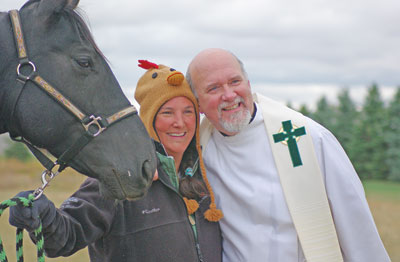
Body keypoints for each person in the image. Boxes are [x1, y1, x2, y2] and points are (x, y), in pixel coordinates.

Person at [186, 48, 390, 262]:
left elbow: (356, 225)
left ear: (248, 84)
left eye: (235, 81)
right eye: (213, 88)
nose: (228, 95)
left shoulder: (308, 138)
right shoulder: (200, 148)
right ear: (197, 103)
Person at [9, 60, 223, 262]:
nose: (180, 122)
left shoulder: (205, 175)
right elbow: (66, 236)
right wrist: (44, 217)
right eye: (167, 112)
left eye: (188, 112)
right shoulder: (121, 177)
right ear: (149, 120)